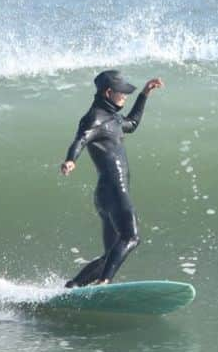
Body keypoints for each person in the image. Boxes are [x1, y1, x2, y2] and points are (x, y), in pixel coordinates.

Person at [59, 70, 164, 287]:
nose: (125, 95)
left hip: (106, 195)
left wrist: (144, 94)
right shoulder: (94, 118)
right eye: (121, 92)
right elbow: (81, 139)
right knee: (132, 237)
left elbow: (132, 124)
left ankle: (73, 286)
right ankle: (104, 281)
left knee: (110, 255)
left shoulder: (114, 118)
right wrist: (71, 159)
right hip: (114, 190)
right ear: (108, 92)